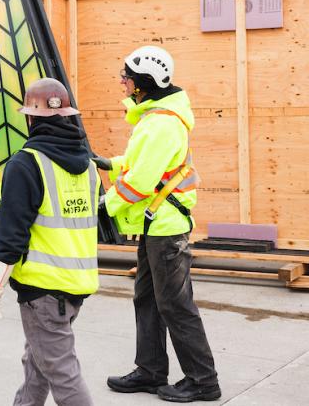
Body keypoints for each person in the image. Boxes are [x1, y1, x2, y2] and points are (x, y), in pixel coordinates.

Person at [98, 45, 220, 403]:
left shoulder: (162, 123)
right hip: (156, 227)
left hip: (166, 230)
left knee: (175, 305)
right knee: (148, 299)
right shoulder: (154, 118)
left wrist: (105, 206)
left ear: (143, 83)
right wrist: (110, 163)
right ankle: (150, 371)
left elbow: (141, 181)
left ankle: (203, 381)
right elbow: (142, 162)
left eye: (126, 77)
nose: (122, 81)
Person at [0, 77, 99, 406]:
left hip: (43, 290)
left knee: (62, 373)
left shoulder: (26, 163)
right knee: (38, 362)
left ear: (31, 118)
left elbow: (11, 236)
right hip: (75, 286)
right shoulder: (88, 166)